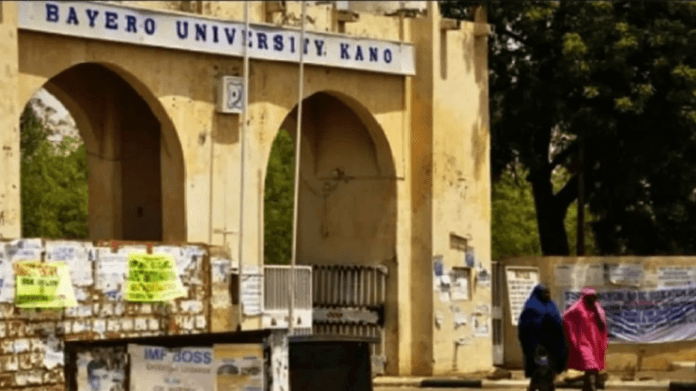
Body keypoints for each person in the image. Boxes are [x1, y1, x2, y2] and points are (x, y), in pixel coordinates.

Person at [518, 284, 567, 391]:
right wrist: (532, 346)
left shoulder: (552, 305)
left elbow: (557, 323)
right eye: (544, 293)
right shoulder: (531, 307)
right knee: (542, 370)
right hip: (538, 346)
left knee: (548, 371)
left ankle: (535, 387)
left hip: (553, 346)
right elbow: (526, 329)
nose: (547, 295)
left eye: (548, 292)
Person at [562, 287, 609, 391]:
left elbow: (603, 322)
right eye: (590, 297)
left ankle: (588, 386)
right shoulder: (578, 307)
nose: (593, 299)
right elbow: (566, 316)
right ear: (585, 297)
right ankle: (592, 387)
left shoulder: (596, 307)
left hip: (595, 340)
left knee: (594, 365)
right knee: (590, 364)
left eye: (594, 297)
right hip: (583, 340)